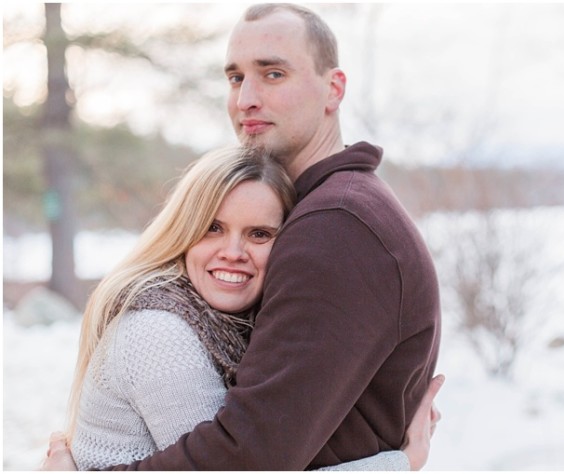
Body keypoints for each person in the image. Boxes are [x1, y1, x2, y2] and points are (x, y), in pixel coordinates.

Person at [46, 3, 443, 470]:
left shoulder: (335, 226)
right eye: (235, 78)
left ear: (333, 89)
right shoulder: (330, 210)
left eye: (272, 74)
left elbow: (248, 457)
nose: (245, 99)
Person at [52, 147, 437, 470]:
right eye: (213, 228)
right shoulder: (160, 333)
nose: (233, 253)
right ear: (183, 233)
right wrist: (399, 462)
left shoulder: (227, 325)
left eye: (259, 234)